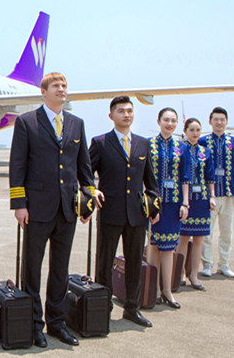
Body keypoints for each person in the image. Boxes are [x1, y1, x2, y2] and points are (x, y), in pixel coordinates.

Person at [9, 72, 94, 348]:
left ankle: (56, 323)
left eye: (64, 86)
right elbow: (17, 165)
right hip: (37, 209)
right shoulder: (27, 122)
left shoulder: (76, 124)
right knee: (32, 269)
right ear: (43, 91)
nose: (62, 89)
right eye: (56, 86)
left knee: (60, 269)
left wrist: (88, 201)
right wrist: (19, 204)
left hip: (67, 210)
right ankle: (34, 324)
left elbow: (84, 168)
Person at [88, 96, 160, 328]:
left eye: (129, 111)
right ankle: (103, 308)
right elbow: (86, 174)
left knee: (134, 264)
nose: (126, 115)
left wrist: (154, 206)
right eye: (121, 111)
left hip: (137, 215)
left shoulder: (143, 144)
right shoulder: (100, 143)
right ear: (111, 116)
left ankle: (132, 308)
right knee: (104, 264)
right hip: (110, 212)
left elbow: (151, 180)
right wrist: (92, 192)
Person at [146, 107, 190, 309]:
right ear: (158, 122)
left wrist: (185, 203)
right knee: (153, 245)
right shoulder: (148, 144)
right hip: (153, 203)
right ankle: (153, 289)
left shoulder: (182, 148)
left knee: (169, 248)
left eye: (173, 120)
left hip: (173, 204)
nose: (170, 124)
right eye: (166, 120)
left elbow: (185, 178)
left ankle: (167, 290)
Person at [198, 107, 234, 278]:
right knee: (207, 232)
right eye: (216, 119)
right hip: (209, 195)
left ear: (226, 122)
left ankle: (224, 264)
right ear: (210, 122)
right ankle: (207, 264)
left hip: (228, 193)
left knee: (226, 231)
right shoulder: (203, 142)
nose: (219, 123)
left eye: (222, 119)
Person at [177, 118, 216, 290]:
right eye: (191, 130)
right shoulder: (179, 149)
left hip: (201, 199)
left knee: (199, 238)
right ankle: (180, 273)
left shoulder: (205, 152)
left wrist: (212, 196)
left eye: (198, 130)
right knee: (183, 237)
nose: (195, 133)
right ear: (185, 131)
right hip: (185, 199)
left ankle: (194, 274)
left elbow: (210, 177)